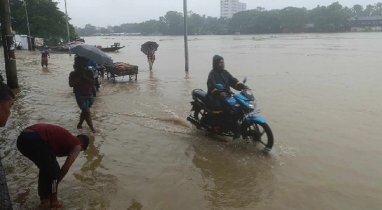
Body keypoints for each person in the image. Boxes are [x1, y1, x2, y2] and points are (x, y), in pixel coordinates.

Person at [16, 123, 89, 209]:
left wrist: (52, 183)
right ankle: (54, 201)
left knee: (45, 168)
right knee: (54, 170)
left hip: (22, 139)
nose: (78, 152)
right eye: (81, 150)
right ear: (82, 146)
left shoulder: (66, 139)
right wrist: (55, 183)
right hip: (35, 138)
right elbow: (65, 169)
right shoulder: (77, 145)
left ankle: (44, 198)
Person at [206, 55, 247, 138]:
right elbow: (211, 86)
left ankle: (232, 125)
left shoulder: (225, 73)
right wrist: (219, 92)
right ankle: (216, 128)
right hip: (213, 97)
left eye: (223, 62)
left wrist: (242, 86)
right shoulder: (212, 74)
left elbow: (233, 81)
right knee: (219, 108)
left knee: (236, 107)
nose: (222, 64)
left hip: (226, 96)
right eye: (220, 62)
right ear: (215, 63)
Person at [69, 56, 96, 132]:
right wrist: (79, 77)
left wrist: (85, 77)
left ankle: (80, 124)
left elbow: (93, 82)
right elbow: (71, 84)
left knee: (85, 111)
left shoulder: (89, 72)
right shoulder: (73, 74)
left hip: (89, 93)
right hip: (79, 95)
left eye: (82, 64)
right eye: (79, 64)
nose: (81, 65)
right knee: (87, 111)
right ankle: (92, 129)